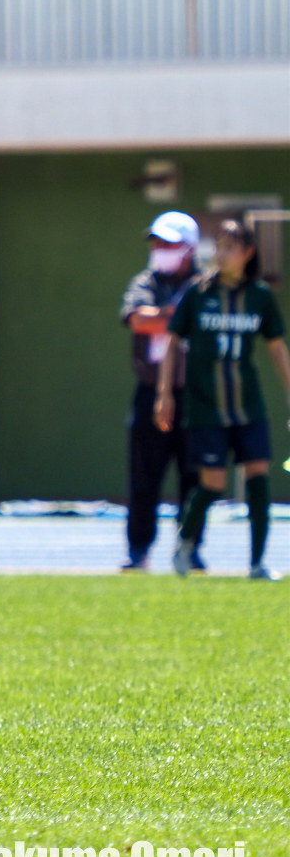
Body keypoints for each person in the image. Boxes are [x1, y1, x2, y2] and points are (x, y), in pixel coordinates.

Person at [156, 219, 290, 580]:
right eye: (220, 245)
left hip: (248, 405)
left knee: (259, 475)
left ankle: (258, 563)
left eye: (231, 246)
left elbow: (277, 348)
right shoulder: (198, 293)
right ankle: (185, 542)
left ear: (248, 254)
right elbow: (172, 342)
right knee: (212, 484)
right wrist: (165, 393)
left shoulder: (260, 296)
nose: (222, 253)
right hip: (206, 406)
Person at [119, 211, 201, 572]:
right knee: (143, 477)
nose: (160, 250)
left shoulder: (204, 285)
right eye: (157, 243)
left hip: (195, 395)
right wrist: (177, 316)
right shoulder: (145, 281)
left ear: (189, 248)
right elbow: (137, 318)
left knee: (195, 477)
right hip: (151, 393)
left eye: (169, 244)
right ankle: (139, 551)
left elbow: (205, 320)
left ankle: (190, 547)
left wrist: (166, 317)